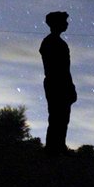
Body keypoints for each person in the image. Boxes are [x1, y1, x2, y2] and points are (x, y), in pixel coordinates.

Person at [39, 11, 77, 155]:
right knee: (57, 119)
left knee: (60, 119)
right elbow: (61, 69)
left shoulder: (54, 42)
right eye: (64, 21)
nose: (67, 24)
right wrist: (69, 87)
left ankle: (57, 147)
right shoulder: (53, 43)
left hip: (58, 83)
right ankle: (54, 150)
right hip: (57, 84)